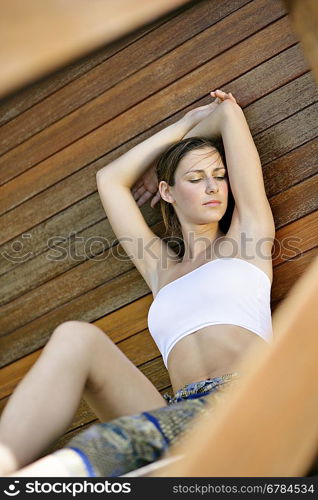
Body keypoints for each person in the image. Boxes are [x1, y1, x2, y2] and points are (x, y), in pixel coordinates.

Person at [0, 89, 275, 477]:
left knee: (107, 443)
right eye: (195, 179)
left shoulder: (249, 239)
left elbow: (228, 114)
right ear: (167, 193)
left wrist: (180, 151)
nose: (213, 187)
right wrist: (179, 130)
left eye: (220, 176)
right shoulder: (160, 268)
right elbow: (110, 180)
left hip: (243, 398)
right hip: (176, 413)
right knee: (76, 336)